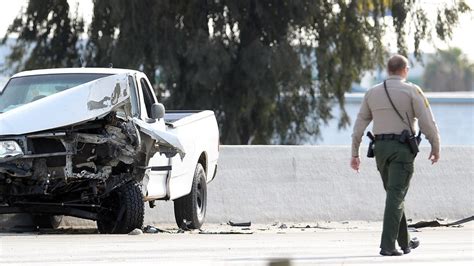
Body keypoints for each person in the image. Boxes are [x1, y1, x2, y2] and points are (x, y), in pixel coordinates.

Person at [350, 54, 440, 256]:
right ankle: (388, 246)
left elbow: (358, 127)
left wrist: (355, 153)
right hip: (402, 150)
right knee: (396, 195)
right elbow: (428, 122)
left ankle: (406, 241)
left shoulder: (372, 93)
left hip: (380, 149)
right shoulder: (412, 91)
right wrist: (436, 146)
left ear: (388, 69)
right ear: (405, 69)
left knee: (394, 194)